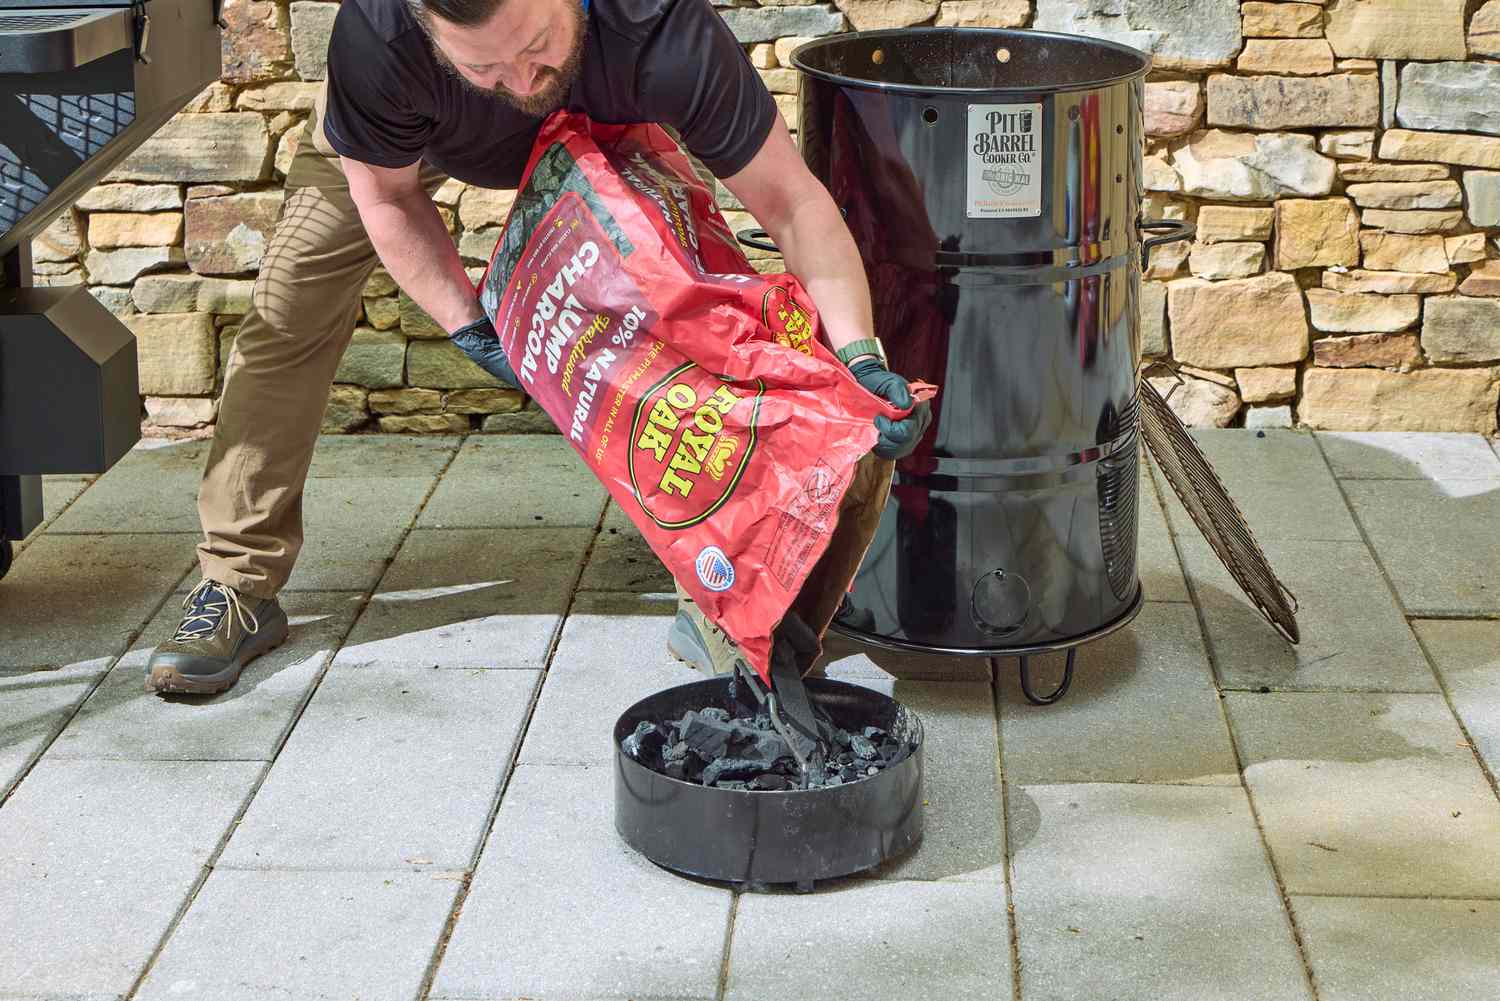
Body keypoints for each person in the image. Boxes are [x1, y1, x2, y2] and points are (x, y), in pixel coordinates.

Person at [144, 0, 930, 695]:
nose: (521, 83)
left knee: (689, 299)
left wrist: (860, 357)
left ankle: (723, 594)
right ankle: (236, 582)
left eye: (540, 47)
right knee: (289, 311)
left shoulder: (660, 27)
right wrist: (467, 324)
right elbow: (384, 197)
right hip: (391, 157)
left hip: (606, 138)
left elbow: (791, 204)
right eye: (484, 63)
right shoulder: (378, 37)